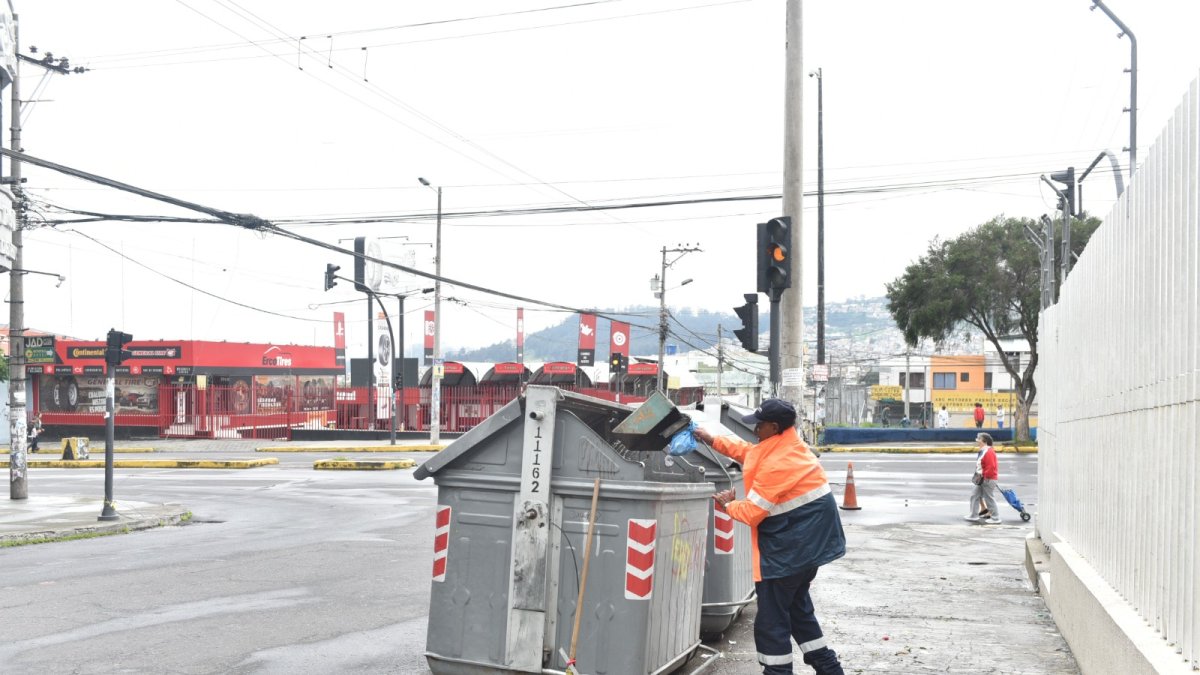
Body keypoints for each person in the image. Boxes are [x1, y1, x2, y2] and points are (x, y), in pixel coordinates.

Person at [694, 399, 846, 675]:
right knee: (798, 611)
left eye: (759, 424)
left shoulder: (778, 463)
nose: (754, 429)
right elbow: (751, 453)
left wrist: (728, 505)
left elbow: (752, 513)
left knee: (771, 623)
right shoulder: (788, 446)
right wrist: (713, 440)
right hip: (806, 550)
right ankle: (829, 668)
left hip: (788, 553)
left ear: (774, 427)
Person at [964, 432, 1000, 524]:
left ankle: (995, 518)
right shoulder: (984, 451)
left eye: (979, 439)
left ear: (984, 441)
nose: (977, 441)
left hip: (987, 479)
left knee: (989, 498)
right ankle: (973, 515)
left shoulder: (988, 452)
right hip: (983, 479)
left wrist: (985, 477)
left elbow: (991, 467)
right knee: (974, 495)